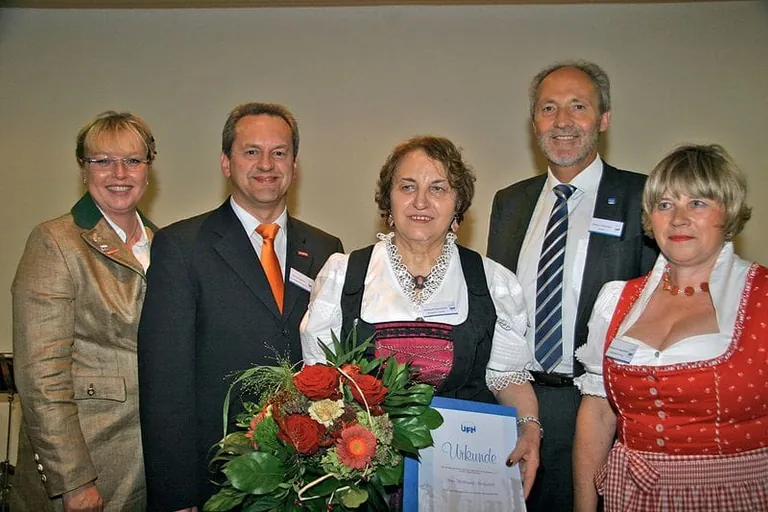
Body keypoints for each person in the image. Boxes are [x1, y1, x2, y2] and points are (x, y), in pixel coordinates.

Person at [301, 135, 541, 498]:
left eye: (438, 188)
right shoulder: (344, 275)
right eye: (407, 186)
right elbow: (318, 384)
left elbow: (508, 378)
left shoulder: (491, 282)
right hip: (364, 481)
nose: (421, 202)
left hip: (462, 474)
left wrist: (529, 428)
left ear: (458, 204)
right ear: (388, 199)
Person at [138, 102, 344, 511]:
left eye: (279, 152)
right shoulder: (181, 247)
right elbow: (164, 382)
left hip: (307, 478)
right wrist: (177, 494)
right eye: (251, 151)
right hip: (215, 477)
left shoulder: (326, 249)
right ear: (226, 163)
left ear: (294, 165)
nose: (266, 164)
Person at [486, 60, 658, 511]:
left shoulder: (644, 198)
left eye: (578, 106)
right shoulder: (509, 202)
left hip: (599, 408)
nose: (562, 120)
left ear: (604, 119)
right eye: (548, 108)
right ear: (534, 123)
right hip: (513, 403)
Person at [573, 144, 767, 511]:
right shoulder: (617, 300)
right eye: (665, 204)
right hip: (632, 496)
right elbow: (598, 411)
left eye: (697, 203)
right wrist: (584, 505)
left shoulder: (763, 297)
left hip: (737, 497)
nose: (678, 218)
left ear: (728, 211)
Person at [10, 111, 157, 511]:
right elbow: (41, 375)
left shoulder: (165, 244)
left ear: (148, 169)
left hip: (152, 460)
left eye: (132, 160)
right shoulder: (56, 242)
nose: (119, 173)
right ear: (83, 167)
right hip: (90, 462)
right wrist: (72, 480)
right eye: (102, 160)